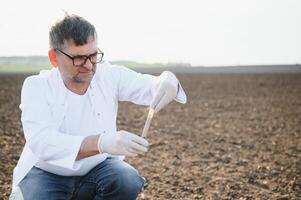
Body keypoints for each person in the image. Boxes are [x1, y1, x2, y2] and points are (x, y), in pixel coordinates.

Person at [9, 14, 187, 200]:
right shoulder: (37, 86)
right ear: (54, 58)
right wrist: (101, 142)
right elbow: (42, 142)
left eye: (93, 55)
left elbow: (150, 86)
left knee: (126, 179)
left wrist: (167, 80)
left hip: (98, 168)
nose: (88, 65)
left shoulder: (107, 74)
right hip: (46, 173)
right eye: (78, 58)